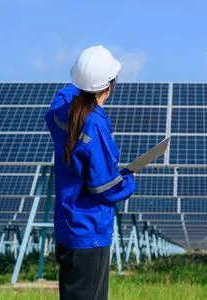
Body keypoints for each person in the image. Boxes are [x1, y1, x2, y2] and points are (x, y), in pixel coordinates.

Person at [45, 45, 136, 300]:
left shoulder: (61, 112)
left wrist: (85, 80)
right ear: (109, 86)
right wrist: (128, 180)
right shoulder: (94, 125)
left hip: (67, 227)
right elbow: (104, 187)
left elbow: (65, 93)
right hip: (89, 231)